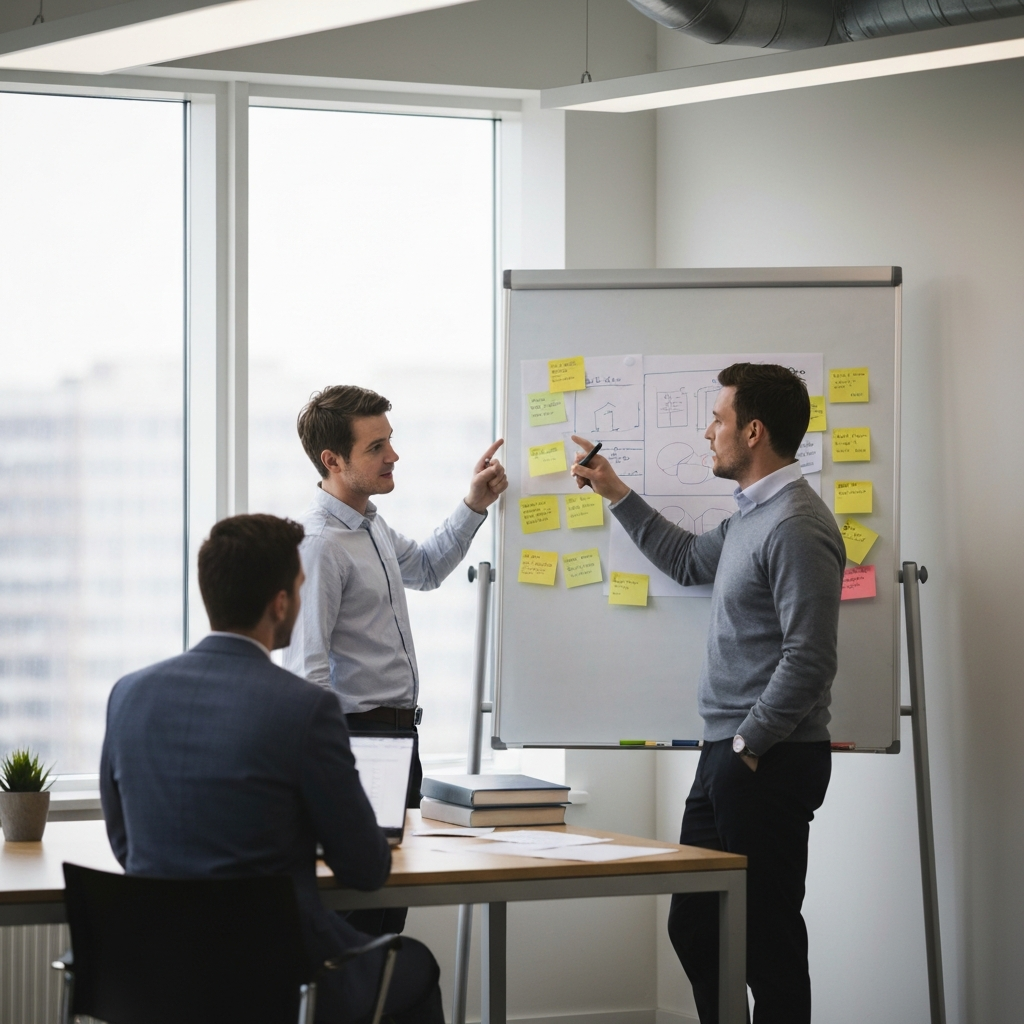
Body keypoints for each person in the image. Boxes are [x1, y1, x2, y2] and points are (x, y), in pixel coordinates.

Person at [571, 363, 845, 1024]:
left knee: (768, 942)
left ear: (753, 431)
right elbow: (691, 560)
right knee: (698, 927)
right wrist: (617, 493)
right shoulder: (753, 514)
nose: (708, 432)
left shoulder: (797, 525)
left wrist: (748, 743)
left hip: (765, 757)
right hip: (728, 753)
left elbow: (810, 658)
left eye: (718, 419)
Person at [100, 514, 444, 1024]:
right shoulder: (304, 709)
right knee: (412, 966)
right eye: (300, 589)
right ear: (280, 603)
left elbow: (126, 844)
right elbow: (366, 869)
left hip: (157, 979)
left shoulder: (128, 694)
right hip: (277, 980)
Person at [283, 385, 507, 936]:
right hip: (357, 746)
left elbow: (427, 568)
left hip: (396, 743)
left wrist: (474, 504)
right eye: (376, 446)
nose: (393, 456)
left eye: (391, 440)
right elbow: (307, 673)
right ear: (332, 461)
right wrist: (333, 766)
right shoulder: (320, 543)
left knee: (386, 911)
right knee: (359, 916)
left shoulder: (370, 525)